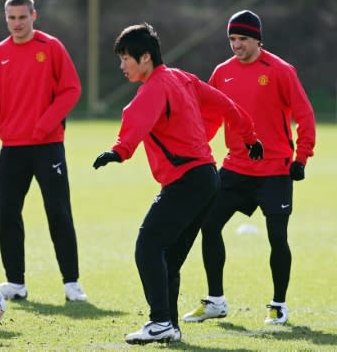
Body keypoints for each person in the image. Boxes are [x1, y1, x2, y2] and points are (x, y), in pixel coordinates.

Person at [92, 22, 263, 344]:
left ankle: (159, 322)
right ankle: (168, 326)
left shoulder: (155, 87)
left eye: (125, 58)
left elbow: (136, 117)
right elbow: (226, 105)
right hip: (207, 179)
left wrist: (118, 151)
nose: (121, 65)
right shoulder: (181, 78)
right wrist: (250, 136)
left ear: (145, 58)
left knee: (148, 246)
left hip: (187, 181)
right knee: (168, 257)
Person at [182, 10, 316, 325]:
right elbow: (211, 118)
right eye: (232, 39)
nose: (236, 45)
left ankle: (278, 305)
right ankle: (215, 300)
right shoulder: (221, 72)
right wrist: (194, 151)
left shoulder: (281, 70)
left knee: (277, 237)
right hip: (236, 167)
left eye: (242, 39)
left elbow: (305, 115)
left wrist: (301, 158)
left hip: (274, 170)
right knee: (209, 225)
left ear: (257, 38)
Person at [0, 0, 86, 302]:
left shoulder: (51, 47)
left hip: (48, 146)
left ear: (34, 16)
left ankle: (71, 282)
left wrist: (43, 124)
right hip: (11, 149)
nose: (17, 23)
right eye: (11, 18)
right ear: (5, 18)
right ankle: (15, 283)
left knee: (58, 212)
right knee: (8, 215)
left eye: (22, 17)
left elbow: (71, 90)